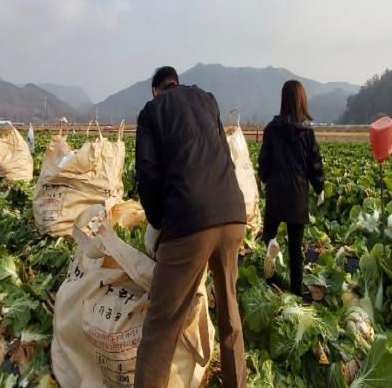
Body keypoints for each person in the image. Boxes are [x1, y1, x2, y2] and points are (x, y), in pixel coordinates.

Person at [134, 66, 247, 388]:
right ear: (176, 83)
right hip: (233, 214)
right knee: (229, 310)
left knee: (161, 326)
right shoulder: (207, 100)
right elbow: (225, 155)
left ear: (155, 90)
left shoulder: (152, 111)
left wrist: (156, 222)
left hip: (190, 220)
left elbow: (147, 174)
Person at [258, 80, 324, 297]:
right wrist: (319, 187)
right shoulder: (307, 132)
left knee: (268, 232)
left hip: (276, 191)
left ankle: (272, 245)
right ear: (302, 100)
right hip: (297, 194)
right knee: (296, 248)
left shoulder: (271, 129)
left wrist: (263, 178)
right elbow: (314, 163)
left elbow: (264, 159)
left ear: (283, 100)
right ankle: (296, 291)